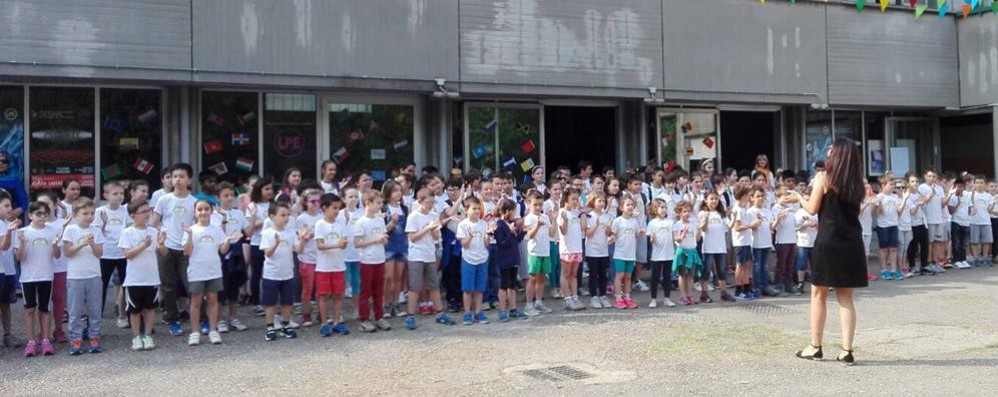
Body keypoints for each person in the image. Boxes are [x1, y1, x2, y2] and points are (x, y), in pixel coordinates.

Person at [796, 137, 868, 365]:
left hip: (828, 241)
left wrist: (798, 197)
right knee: (846, 298)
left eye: (830, 150)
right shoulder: (858, 182)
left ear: (837, 155)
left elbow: (811, 208)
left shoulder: (823, 178)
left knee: (818, 294)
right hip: (852, 241)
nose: (827, 152)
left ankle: (815, 346)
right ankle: (847, 350)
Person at [182, 199, 237, 346]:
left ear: (211, 211)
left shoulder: (216, 230)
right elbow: (187, 252)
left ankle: (213, 330)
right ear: (195, 212)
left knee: (213, 301)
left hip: (214, 271)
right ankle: (195, 331)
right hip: (196, 272)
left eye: (206, 209)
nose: (203, 212)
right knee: (195, 302)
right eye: (199, 209)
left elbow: (222, 250)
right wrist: (188, 236)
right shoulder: (191, 230)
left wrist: (228, 241)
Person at [152, 163, 198, 336]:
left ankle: (200, 319)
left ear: (189, 179)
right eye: (174, 176)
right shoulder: (164, 199)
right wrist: (157, 239)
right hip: (166, 247)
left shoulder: (194, 202)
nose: (177, 180)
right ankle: (173, 320)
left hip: (186, 249)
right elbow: (154, 222)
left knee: (191, 285)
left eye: (181, 176)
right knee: (168, 287)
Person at [403, 188, 454, 329]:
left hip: (430, 254)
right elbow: (412, 238)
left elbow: (437, 237)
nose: (430, 205)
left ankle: (439, 313)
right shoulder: (413, 216)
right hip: (416, 256)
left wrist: (433, 230)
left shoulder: (433, 215)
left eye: (432, 202)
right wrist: (427, 228)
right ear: (419, 201)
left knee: (434, 285)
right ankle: (410, 316)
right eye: (427, 202)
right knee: (415, 287)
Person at [119, 200, 166, 351]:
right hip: (134, 279)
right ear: (133, 215)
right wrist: (142, 246)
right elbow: (127, 255)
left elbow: (163, 253)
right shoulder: (128, 232)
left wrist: (161, 244)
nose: (147, 215)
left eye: (148, 211)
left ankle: (147, 335)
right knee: (134, 310)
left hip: (151, 277)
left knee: (150, 308)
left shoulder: (153, 231)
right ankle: (136, 337)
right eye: (143, 212)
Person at [16, 201, 61, 357]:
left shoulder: (53, 231)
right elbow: (19, 257)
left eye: (44, 213)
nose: (42, 217)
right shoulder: (22, 232)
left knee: (44, 309)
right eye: (38, 214)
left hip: (46, 275)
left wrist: (55, 245)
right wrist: (22, 243)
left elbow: (57, 255)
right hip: (28, 277)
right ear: (30, 216)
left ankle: (45, 340)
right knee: (29, 309)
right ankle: (31, 341)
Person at [62, 198, 106, 355]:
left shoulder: (96, 230)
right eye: (85, 213)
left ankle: (94, 337)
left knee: (94, 309)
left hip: (94, 275)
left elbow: (99, 253)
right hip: (75, 276)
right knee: (75, 311)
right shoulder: (70, 230)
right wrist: (82, 244)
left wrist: (93, 243)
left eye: (92, 213)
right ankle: (75, 340)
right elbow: (67, 252)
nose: (89, 216)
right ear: (75, 214)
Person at [261, 203, 307, 341]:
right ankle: (270, 326)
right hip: (271, 274)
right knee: (271, 302)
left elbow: (298, 250)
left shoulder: (290, 232)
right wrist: (275, 244)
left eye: (287, 215)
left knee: (287, 301)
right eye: (282, 215)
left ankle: (286, 324)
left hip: (287, 273)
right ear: (272, 216)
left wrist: (303, 239)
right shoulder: (267, 233)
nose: (286, 218)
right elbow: (267, 253)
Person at [211, 182, 249, 332]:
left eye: (231, 195)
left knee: (234, 285)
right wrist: (224, 218)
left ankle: (233, 317)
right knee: (222, 286)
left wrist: (252, 217)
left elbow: (248, 231)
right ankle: (219, 319)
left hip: (236, 249)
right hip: (221, 249)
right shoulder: (214, 214)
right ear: (218, 197)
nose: (229, 198)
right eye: (225, 196)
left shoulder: (238, 213)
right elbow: (219, 233)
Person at [314, 193, 351, 336]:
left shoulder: (341, 225)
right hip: (323, 267)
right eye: (334, 208)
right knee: (323, 295)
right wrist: (337, 244)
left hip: (338, 265)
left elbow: (343, 244)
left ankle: (337, 322)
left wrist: (342, 245)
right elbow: (320, 245)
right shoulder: (320, 225)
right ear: (325, 208)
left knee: (338, 295)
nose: (337, 211)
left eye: (338, 208)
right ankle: (324, 323)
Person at [354, 191, 391, 333]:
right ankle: (364, 318)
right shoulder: (361, 222)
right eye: (377, 203)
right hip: (367, 260)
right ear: (367, 203)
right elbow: (357, 243)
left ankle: (379, 316)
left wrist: (383, 240)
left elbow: (384, 238)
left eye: (381, 203)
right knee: (366, 291)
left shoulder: (380, 220)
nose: (380, 206)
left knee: (378, 290)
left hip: (379, 258)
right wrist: (376, 240)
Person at [95, 181, 129, 328]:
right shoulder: (99, 211)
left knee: (126, 285)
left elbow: (129, 229)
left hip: (122, 254)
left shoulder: (126, 210)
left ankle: (124, 315)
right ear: (106, 195)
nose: (119, 196)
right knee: (100, 286)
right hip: (105, 254)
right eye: (115, 193)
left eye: (121, 193)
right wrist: (103, 224)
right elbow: (96, 233)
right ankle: (96, 318)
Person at [457, 196, 490, 325]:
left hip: (482, 258)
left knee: (479, 288)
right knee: (468, 288)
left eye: (478, 208)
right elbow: (463, 244)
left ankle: (478, 312)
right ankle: (467, 313)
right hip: (468, 260)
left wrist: (490, 234)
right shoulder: (463, 225)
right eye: (474, 208)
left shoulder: (483, 224)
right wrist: (470, 236)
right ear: (466, 210)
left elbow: (486, 243)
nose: (477, 211)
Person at [245, 177, 274, 317]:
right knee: (256, 273)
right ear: (259, 190)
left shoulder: (274, 205)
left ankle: (271, 301)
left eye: (271, 189)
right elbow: (248, 231)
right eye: (266, 189)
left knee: (272, 273)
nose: (269, 192)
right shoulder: (252, 206)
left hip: (272, 243)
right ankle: (256, 302)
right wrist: (263, 220)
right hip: (257, 243)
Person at [523, 191, 555, 316]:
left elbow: (552, 233)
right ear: (529, 204)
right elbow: (530, 235)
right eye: (535, 204)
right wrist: (537, 225)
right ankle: (528, 305)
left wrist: (553, 219)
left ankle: (538, 302)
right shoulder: (529, 218)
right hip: (534, 252)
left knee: (542, 278)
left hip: (544, 251)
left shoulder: (545, 217)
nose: (538, 207)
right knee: (532, 278)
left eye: (540, 204)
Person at [493, 199, 526, 321]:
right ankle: (502, 310)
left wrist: (523, 231)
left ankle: (513, 309)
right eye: (513, 211)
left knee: (512, 286)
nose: (515, 214)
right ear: (507, 211)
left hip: (513, 259)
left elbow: (516, 240)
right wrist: (510, 233)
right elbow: (502, 243)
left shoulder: (511, 223)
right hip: (504, 260)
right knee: (503, 286)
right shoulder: (499, 225)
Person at [699, 191, 734, 302]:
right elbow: (702, 229)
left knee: (721, 270)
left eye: (716, 199)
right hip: (709, 247)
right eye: (711, 199)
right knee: (706, 270)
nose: (714, 201)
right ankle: (704, 294)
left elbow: (728, 227)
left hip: (720, 246)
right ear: (706, 200)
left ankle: (723, 293)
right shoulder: (702, 213)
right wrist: (706, 219)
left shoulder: (721, 214)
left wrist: (733, 217)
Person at [610, 196, 643, 309]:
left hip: (631, 254)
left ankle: (627, 297)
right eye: (627, 205)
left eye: (632, 205)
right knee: (619, 276)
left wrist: (642, 232)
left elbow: (637, 235)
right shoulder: (618, 221)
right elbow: (613, 234)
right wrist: (611, 238)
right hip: (620, 254)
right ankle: (618, 298)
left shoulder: (634, 221)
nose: (630, 207)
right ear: (621, 207)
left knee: (628, 276)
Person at [381, 180, 408, 319]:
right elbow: (381, 230)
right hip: (388, 246)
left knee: (399, 277)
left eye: (400, 190)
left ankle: (396, 304)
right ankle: (385, 304)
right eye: (395, 191)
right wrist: (392, 222)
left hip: (402, 245)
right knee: (388, 277)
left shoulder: (404, 208)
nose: (398, 193)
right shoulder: (383, 208)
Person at [295, 189, 322, 327]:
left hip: (321, 258)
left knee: (321, 288)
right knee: (307, 287)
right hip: (306, 257)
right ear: (306, 203)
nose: (316, 204)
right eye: (313, 201)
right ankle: (306, 315)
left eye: (318, 201)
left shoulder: (322, 216)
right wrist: (305, 236)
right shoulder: (301, 219)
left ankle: (321, 313)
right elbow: (300, 237)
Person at [557, 188, 586, 311]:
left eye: (577, 199)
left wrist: (583, 213)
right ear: (566, 199)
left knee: (574, 275)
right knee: (566, 274)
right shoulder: (562, 212)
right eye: (573, 199)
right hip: (567, 249)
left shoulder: (576, 213)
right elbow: (563, 231)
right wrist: (566, 220)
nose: (575, 201)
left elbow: (583, 227)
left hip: (577, 248)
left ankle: (575, 297)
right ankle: (567, 299)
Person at [748, 187, 779, 297]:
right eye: (758, 196)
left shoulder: (767, 211)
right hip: (756, 243)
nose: (760, 198)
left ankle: (765, 286)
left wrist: (778, 219)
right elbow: (751, 227)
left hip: (767, 243)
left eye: (762, 196)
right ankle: (756, 288)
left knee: (765, 266)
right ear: (752, 198)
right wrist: (757, 222)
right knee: (757, 266)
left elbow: (771, 227)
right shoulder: (750, 212)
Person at [584, 193, 613, 309]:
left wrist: (608, 229)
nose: (602, 203)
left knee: (603, 274)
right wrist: (595, 225)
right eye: (599, 201)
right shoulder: (589, 216)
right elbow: (588, 234)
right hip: (592, 250)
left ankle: (603, 295)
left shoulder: (607, 216)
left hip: (603, 249)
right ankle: (593, 297)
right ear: (593, 202)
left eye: (603, 201)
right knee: (593, 274)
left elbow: (607, 233)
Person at [730, 185, 759, 299]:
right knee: (740, 265)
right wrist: (750, 226)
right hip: (740, 242)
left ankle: (747, 287)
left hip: (747, 241)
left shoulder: (744, 208)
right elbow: (737, 227)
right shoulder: (737, 209)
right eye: (747, 195)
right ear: (742, 196)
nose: (748, 197)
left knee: (747, 265)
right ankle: (738, 289)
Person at [0, 193, 21, 349]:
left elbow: (14, 249)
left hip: (9, 270)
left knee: (6, 304)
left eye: (11, 205)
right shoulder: (7, 226)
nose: (10, 209)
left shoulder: (11, 224)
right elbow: (3, 246)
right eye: (6, 206)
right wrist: (8, 231)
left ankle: (7, 334)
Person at [646, 199, 675, 308]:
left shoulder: (670, 222)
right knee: (655, 277)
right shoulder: (652, 223)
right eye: (661, 207)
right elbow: (650, 238)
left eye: (665, 207)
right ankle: (653, 299)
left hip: (669, 254)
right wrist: (652, 238)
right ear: (655, 209)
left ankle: (667, 298)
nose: (664, 210)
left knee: (667, 277)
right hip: (657, 255)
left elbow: (673, 237)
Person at [672, 201, 701, 306]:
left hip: (692, 251)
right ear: (679, 213)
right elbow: (676, 240)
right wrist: (682, 235)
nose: (687, 213)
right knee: (682, 275)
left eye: (689, 211)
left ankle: (690, 295)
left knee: (690, 275)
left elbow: (697, 239)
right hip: (682, 252)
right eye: (684, 211)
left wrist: (699, 229)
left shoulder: (693, 224)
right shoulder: (676, 225)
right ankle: (683, 296)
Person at [874, 176, 902, 280]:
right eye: (890, 184)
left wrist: (903, 198)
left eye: (893, 185)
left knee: (893, 249)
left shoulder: (895, 197)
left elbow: (899, 211)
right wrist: (880, 202)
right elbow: (878, 213)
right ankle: (884, 270)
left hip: (894, 225)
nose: (893, 187)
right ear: (883, 185)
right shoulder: (879, 196)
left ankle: (894, 270)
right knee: (883, 249)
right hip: (883, 226)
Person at [772, 187, 799, 294]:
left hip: (792, 239)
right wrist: (782, 215)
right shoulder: (775, 208)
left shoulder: (792, 207)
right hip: (782, 240)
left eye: (787, 198)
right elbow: (775, 224)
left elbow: (797, 198)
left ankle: (789, 285)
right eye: (784, 198)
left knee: (790, 265)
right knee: (781, 265)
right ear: (777, 198)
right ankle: (779, 285)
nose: (786, 200)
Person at [918, 170, 946, 272]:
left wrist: (950, 194)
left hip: (939, 219)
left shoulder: (939, 188)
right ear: (925, 176)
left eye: (934, 176)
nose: (932, 178)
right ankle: (929, 262)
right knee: (930, 242)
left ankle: (936, 262)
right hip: (928, 219)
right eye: (929, 176)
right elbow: (921, 202)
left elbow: (943, 204)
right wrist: (931, 195)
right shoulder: (922, 187)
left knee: (937, 242)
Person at [794, 187, 819, 295]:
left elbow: (822, 227)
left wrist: (816, 225)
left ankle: (817, 283)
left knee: (816, 264)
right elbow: (795, 228)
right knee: (801, 264)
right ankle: (800, 283)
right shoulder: (799, 212)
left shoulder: (817, 212)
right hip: (803, 242)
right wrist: (806, 225)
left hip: (815, 241)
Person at [339, 187, 363, 299]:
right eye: (350, 197)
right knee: (344, 280)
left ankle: (356, 307)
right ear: (344, 199)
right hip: (343, 253)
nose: (353, 199)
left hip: (358, 253)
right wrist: (347, 221)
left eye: (356, 196)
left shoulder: (362, 213)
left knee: (356, 280)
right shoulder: (339, 214)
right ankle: (342, 310)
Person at [947, 176, 972, 269]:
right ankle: (957, 260)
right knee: (956, 242)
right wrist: (957, 203)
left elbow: (969, 208)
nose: (959, 188)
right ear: (954, 187)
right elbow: (951, 211)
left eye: (961, 186)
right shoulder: (952, 197)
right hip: (956, 222)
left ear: (964, 187)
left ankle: (963, 259)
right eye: (957, 186)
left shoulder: (967, 195)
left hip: (966, 222)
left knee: (964, 243)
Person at [969, 176, 994, 267]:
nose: (979, 185)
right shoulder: (971, 194)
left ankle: (985, 258)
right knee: (974, 241)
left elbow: (989, 209)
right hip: (974, 221)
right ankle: (976, 258)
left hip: (986, 221)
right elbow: (969, 204)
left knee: (986, 241)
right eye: (977, 182)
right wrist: (971, 193)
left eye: (981, 183)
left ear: (985, 184)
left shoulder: (988, 196)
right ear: (974, 184)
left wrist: (993, 205)